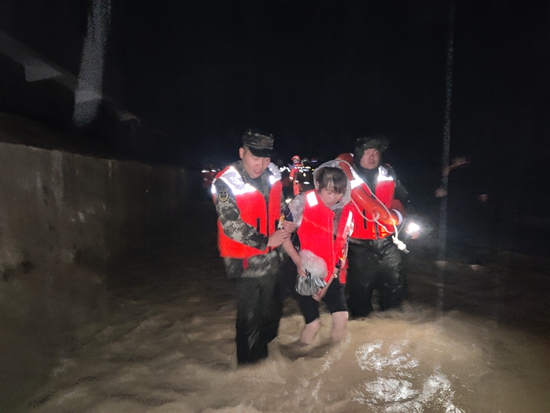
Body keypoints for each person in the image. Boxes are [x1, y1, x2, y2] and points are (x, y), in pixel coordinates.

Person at [211, 128, 295, 365]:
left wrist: (287, 220)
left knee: (271, 310)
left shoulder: (273, 175)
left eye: (265, 158)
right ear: (242, 153)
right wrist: (267, 241)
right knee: (249, 317)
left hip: (272, 257)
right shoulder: (225, 182)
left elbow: (279, 209)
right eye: (255, 157)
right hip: (244, 259)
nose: (260, 164)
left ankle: (267, 360)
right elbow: (231, 225)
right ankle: (248, 370)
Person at [281, 161, 355, 344]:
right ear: (318, 186)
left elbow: (343, 247)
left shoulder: (346, 210)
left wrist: (328, 281)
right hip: (303, 270)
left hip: (332, 272)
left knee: (342, 318)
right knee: (313, 325)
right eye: (329, 192)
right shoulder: (302, 202)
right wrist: (298, 262)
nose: (333, 197)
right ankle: (296, 358)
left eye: (338, 192)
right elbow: (281, 235)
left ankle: (332, 359)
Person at [345, 136, 414, 317]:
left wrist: (396, 217)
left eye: (375, 153)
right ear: (359, 155)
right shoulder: (344, 174)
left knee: (396, 282)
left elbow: (402, 199)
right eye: (367, 153)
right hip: (357, 243)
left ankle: (391, 322)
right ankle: (361, 326)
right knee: (360, 289)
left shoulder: (389, 173)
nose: (372, 157)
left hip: (386, 240)